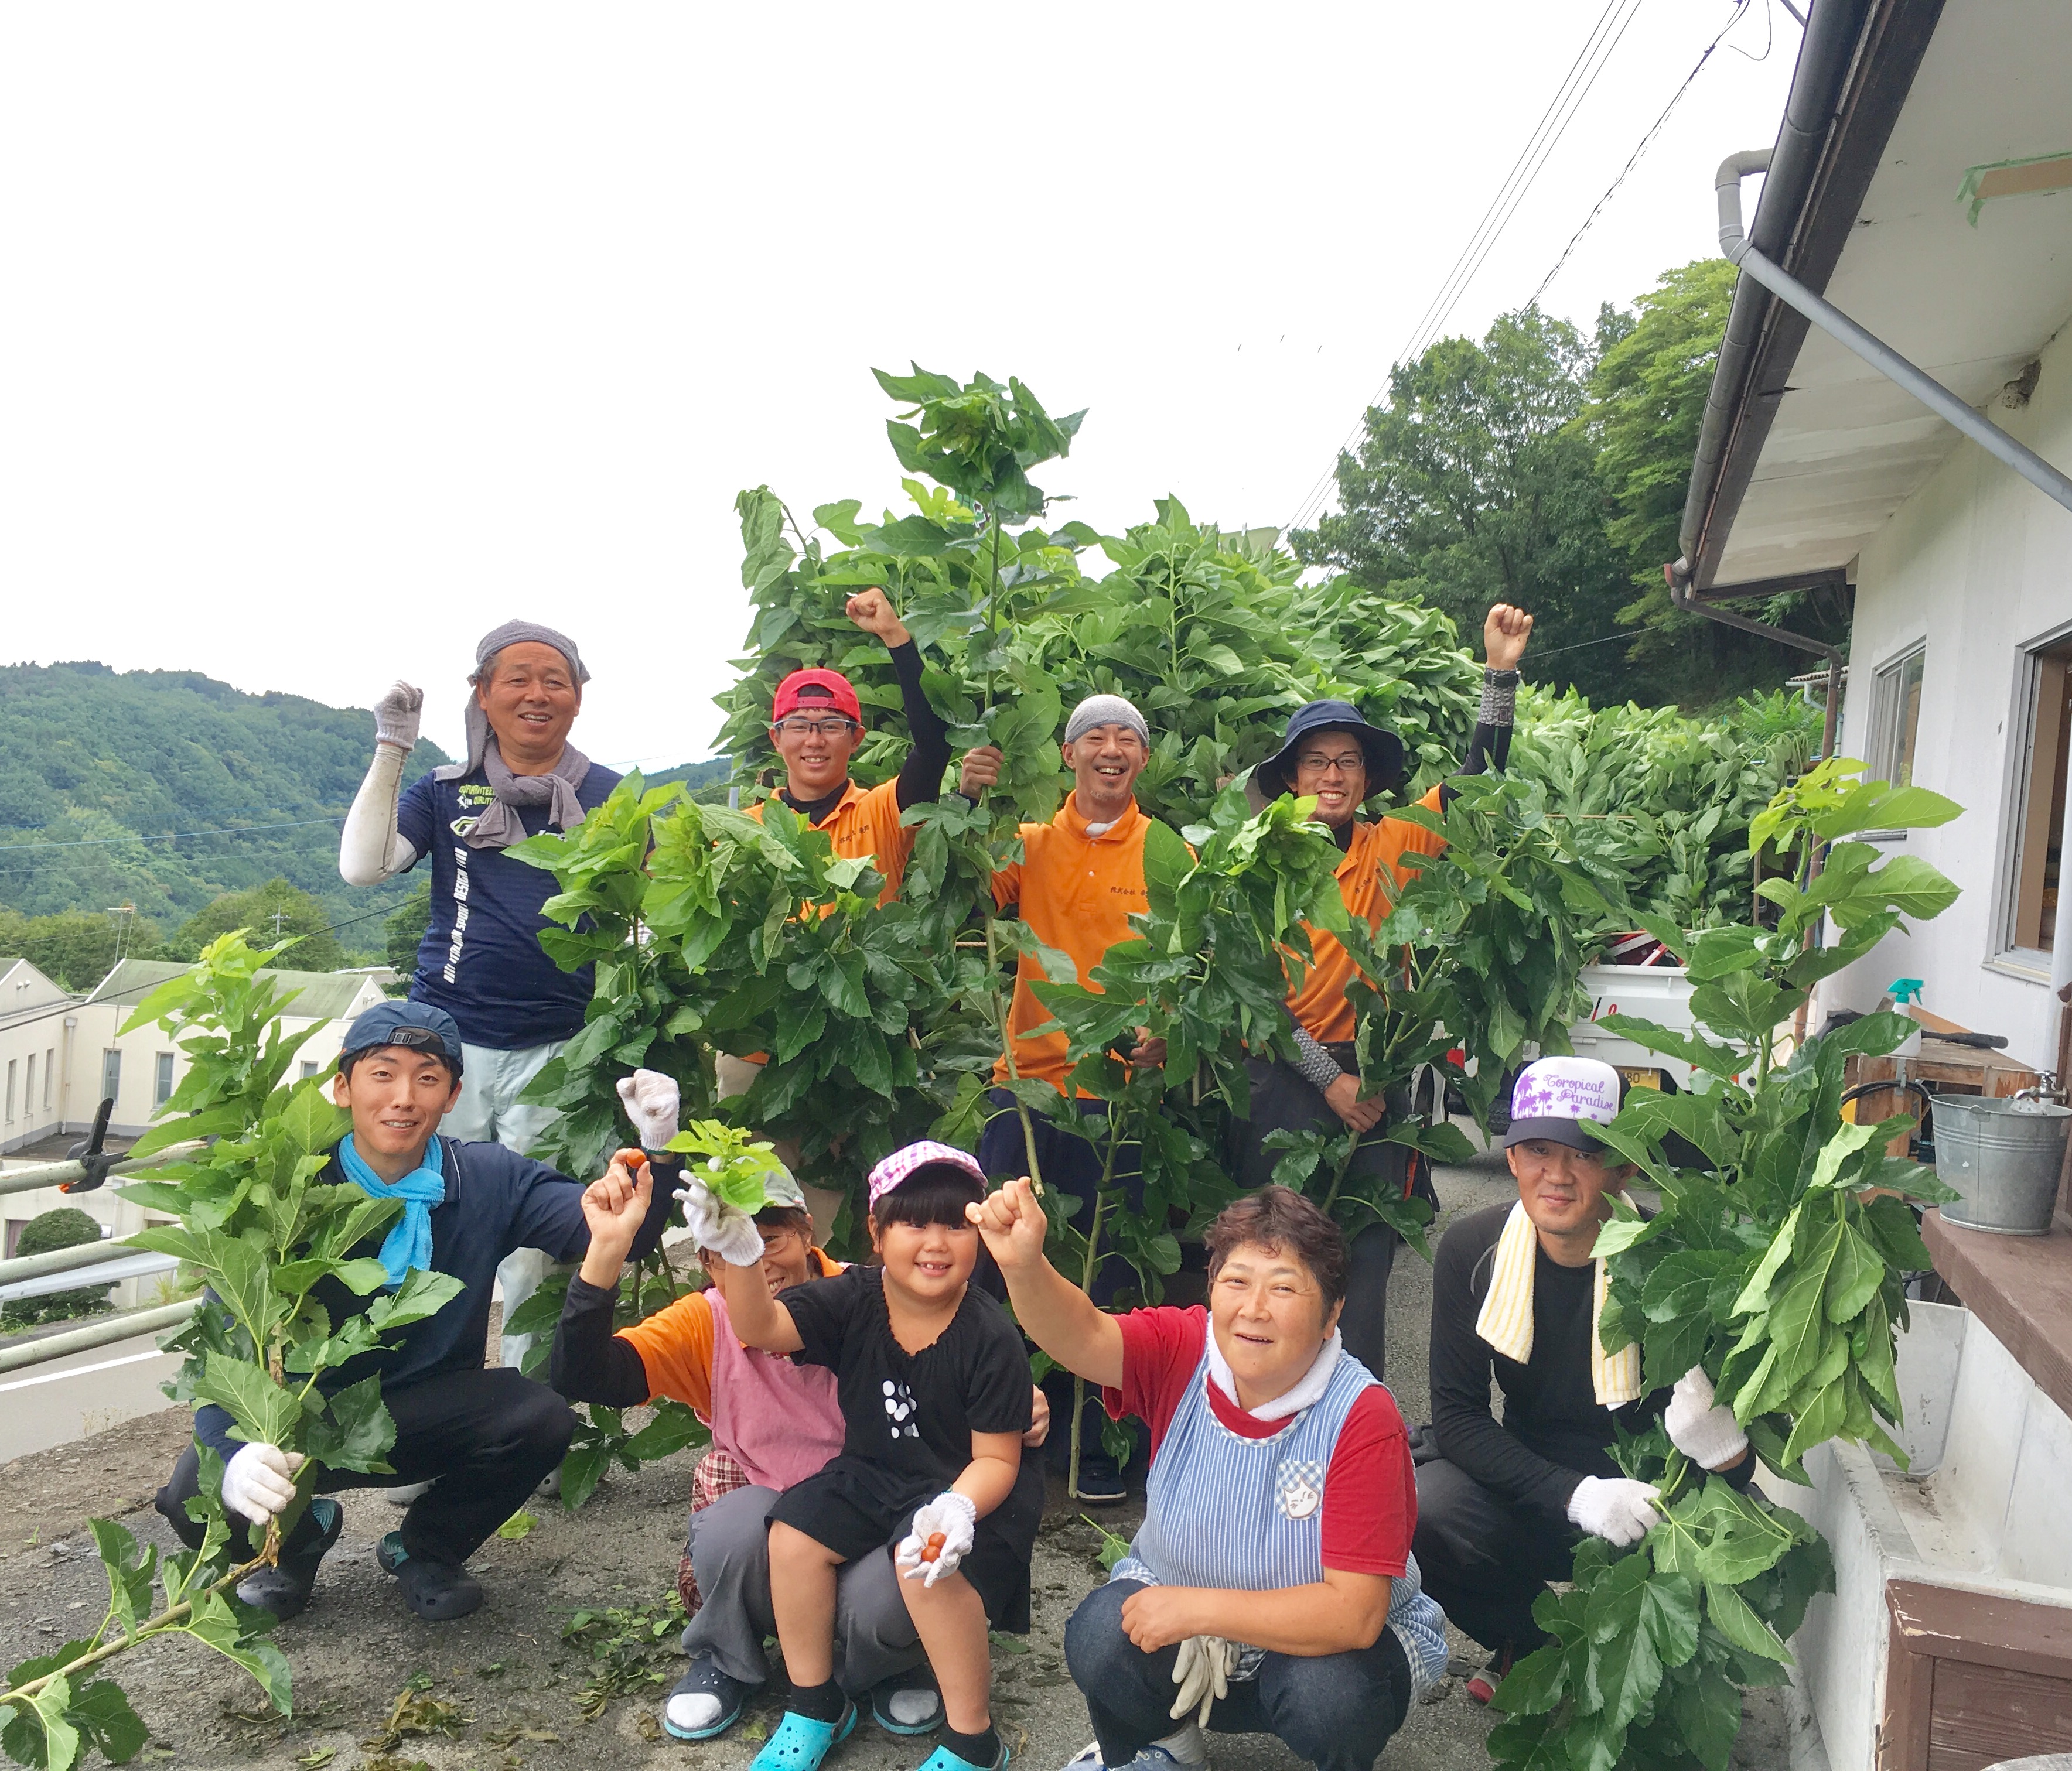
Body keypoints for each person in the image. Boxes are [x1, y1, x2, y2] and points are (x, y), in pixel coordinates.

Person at [151, 1003, 681, 1623]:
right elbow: (224, 1352)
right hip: (298, 1420)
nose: (404, 1097)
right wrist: (234, 1453)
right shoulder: (284, 1190)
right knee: (193, 1495)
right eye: (382, 1074)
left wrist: (658, 1150)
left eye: (428, 1078)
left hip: (425, 1414)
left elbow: (614, 1233)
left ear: (453, 1096)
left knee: (538, 1419)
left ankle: (427, 1546)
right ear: (343, 1088)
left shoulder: (484, 1178)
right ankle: (298, 1539)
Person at [550, 1151, 1052, 1742]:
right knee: (741, 1528)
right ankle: (741, 1661)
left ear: (807, 1231)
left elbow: (975, 1394)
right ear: (708, 1256)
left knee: (909, 1576)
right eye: (734, 1244)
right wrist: (607, 1251)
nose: (760, 1258)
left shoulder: (887, 1288)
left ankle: (891, 1667)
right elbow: (590, 1375)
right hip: (803, 1512)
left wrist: (1016, 1402)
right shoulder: (709, 1321)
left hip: (900, 1509)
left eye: (771, 1238)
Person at [970, 1179, 1448, 1771]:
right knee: (1099, 1634)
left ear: (1332, 1313)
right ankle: (1163, 1747)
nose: (1254, 1309)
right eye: (1236, 1281)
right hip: (1186, 1624)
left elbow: (1354, 1614)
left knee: (1332, 1699)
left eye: (1284, 1288)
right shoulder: (1184, 1349)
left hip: (1318, 1651)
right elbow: (1086, 1335)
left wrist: (1197, 1609)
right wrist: (1024, 1266)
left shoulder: (1362, 1415)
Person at [1231, 605, 1535, 1377]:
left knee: (1365, 1255)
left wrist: (1499, 676)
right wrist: (1328, 1080)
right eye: (1316, 762)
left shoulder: (1391, 843)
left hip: (1376, 1075)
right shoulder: (1257, 862)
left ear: (1367, 780)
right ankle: (1273, 1405)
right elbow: (1252, 993)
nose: (1332, 776)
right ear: (1291, 778)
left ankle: (1354, 1413)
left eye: (1348, 762)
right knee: (1280, 1257)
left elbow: (1475, 787)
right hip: (1285, 1083)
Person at [1412, 1055, 1759, 1704]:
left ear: (1624, 1168)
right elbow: (1457, 1418)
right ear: (1511, 1159)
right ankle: (1532, 1642)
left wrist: (1727, 1451)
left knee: (1742, 1553)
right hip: (1533, 1486)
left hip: (1652, 1499)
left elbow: (1739, 1469)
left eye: (1585, 1153)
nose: (1558, 1174)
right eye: (1538, 1150)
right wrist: (1577, 1496)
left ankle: (1632, 1665)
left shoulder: (1674, 1259)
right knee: (1423, 1509)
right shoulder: (1472, 1251)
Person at [694, 1141, 1037, 1771]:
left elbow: (997, 1460)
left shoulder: (991, 1334)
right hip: (873, 1471)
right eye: (915, 1224)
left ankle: (973, 1737)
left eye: (956, 1225)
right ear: (876, 1232)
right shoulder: (853, 1296)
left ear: (981, 1236)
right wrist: (741, 1256)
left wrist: (957, 1508)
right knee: (793, 1535)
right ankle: (815, 1704)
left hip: (968, 1490)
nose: (936, 1243)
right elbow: (761, 1328)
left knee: (925, 1564)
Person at [338, 620, 621, 1370]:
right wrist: (392, 747)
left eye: (555, 680)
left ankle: (530, 1403)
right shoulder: (444, 789)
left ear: (578, 698)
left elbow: (647, 917)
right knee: (419, 1220)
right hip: (445, 1048)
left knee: (538, 1253)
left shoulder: (610, 797)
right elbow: (364, 867)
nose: (537, 694)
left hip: (561, 1049)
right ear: (483, 695)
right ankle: (410, 1401)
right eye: (517, 678)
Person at [963, 692, 1171, 1503]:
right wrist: (969, 795)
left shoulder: (1166, 853)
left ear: (1143, 758)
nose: (1110, 749)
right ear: (1068, 754)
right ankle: (1001, 1432)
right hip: (1022, 1084)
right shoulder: (1029, 844)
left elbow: (1187, 961)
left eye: (1127, 738)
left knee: (1105, 1268)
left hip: (1112, 1093)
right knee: (998, 1265)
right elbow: (964, 885)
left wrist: (1164, 1032)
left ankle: (1098, 1446)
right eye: (1094, 736)